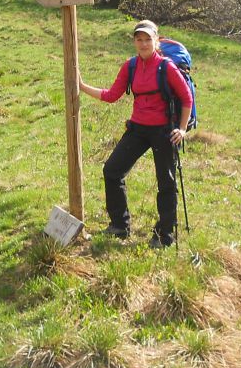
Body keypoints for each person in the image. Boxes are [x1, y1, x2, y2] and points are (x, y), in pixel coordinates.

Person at [79, 20, 193, 249]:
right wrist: (82, 86)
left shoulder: (167, 67)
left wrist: (181, 128)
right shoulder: (130, 66)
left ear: (156, 40)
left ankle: (164, 235)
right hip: (138, 129)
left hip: (164, 131)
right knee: (112, 170)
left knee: (166, 183)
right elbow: (111, 95)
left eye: (147, 39)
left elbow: (186, 98)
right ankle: (120, 226)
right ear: (134, 41)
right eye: (139, 39)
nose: (143, 44)